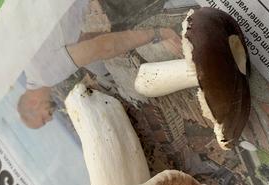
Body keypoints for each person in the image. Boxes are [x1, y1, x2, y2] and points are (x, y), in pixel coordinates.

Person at [17, 0, 180, 129]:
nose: (51, 118)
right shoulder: (33, 68)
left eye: (43, 119)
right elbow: (85, 40)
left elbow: (103, 47)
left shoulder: (47, 74)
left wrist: (158, 34)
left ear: (33, 104)